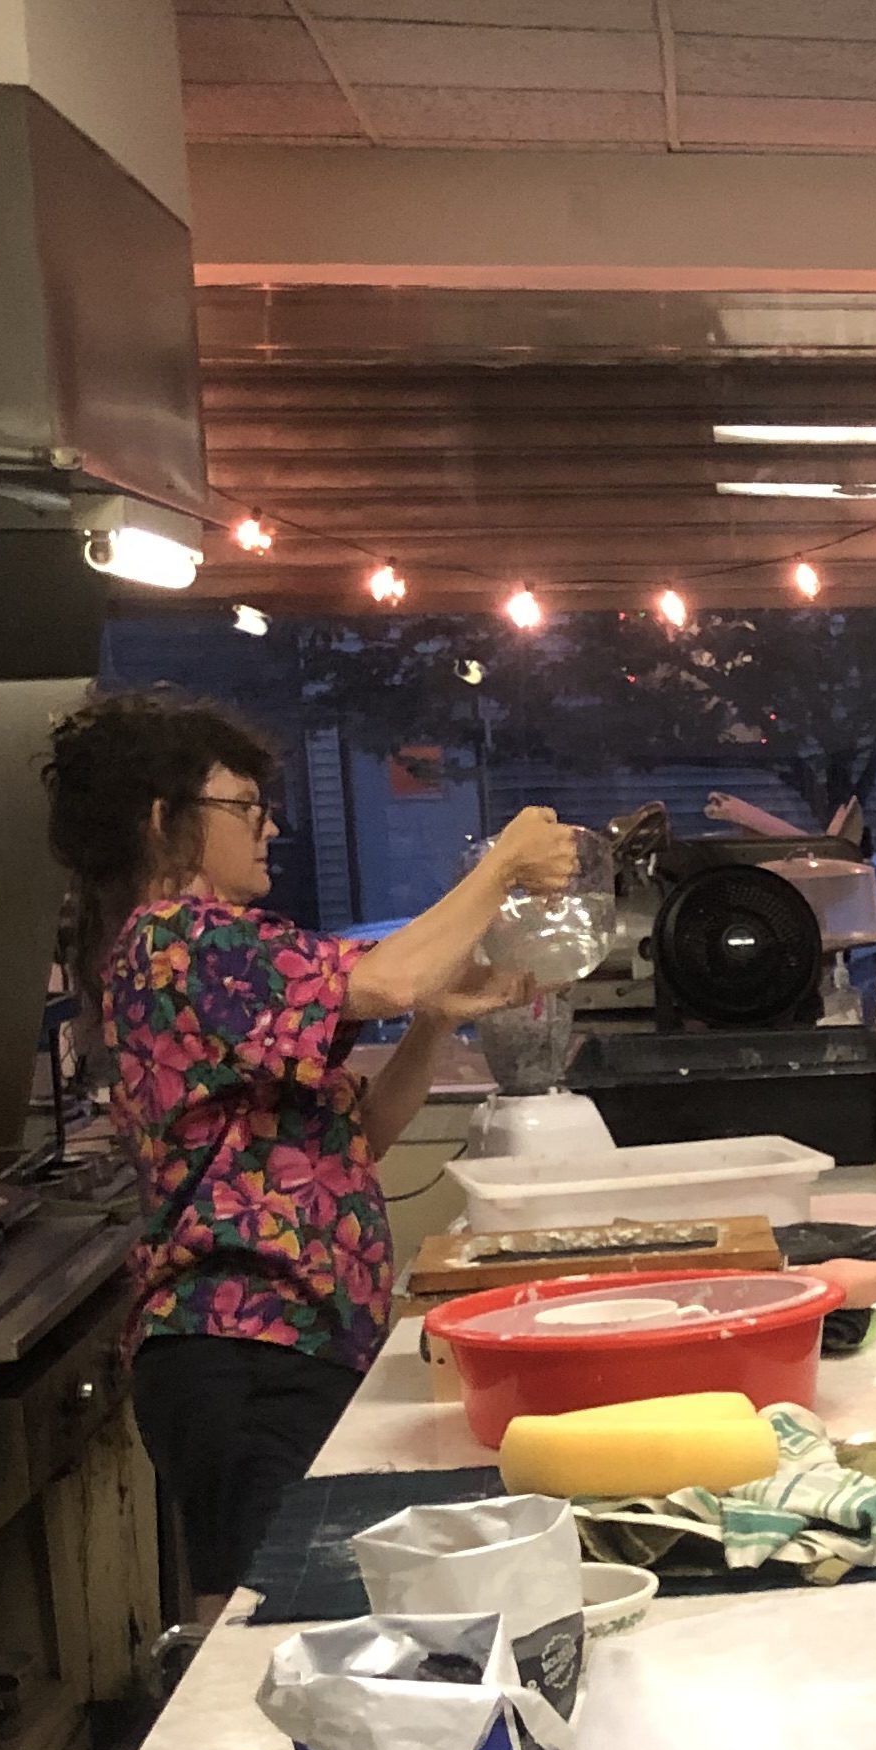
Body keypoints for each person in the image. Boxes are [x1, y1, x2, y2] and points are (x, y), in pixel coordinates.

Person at [42, 689, 574, 1618]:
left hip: (286, 1349)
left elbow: (356, 1142)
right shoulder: (180, 940)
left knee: (295, 1615)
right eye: (245, 807)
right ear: (164, 820)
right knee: (265, 1625)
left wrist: (429, 1026)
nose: (272, 827)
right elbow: (387, 978)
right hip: (242, 1350)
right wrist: (502, 866)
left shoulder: (213, 955)